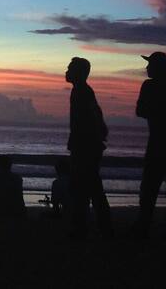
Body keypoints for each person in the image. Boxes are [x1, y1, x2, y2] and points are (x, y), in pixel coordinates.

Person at [131, 51, 166, 240]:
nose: (147, 68)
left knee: (152, 189)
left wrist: (156, 111)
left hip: (163, 143)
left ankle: (147, 228)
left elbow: (141, 110)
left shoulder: (150, 86)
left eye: (150, 65)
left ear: (158, 68)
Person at [65, 57, 113, 239]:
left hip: (85, 147)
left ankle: (86, 227)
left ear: (78, 73)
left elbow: (88, 119)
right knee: (90, 187)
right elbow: (96, 114)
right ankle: (97, 226)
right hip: (87, 145)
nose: (66, 72)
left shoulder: (81, 92)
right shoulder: (82, 90)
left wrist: (81, 141)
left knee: (85, 187)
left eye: (70, 68)